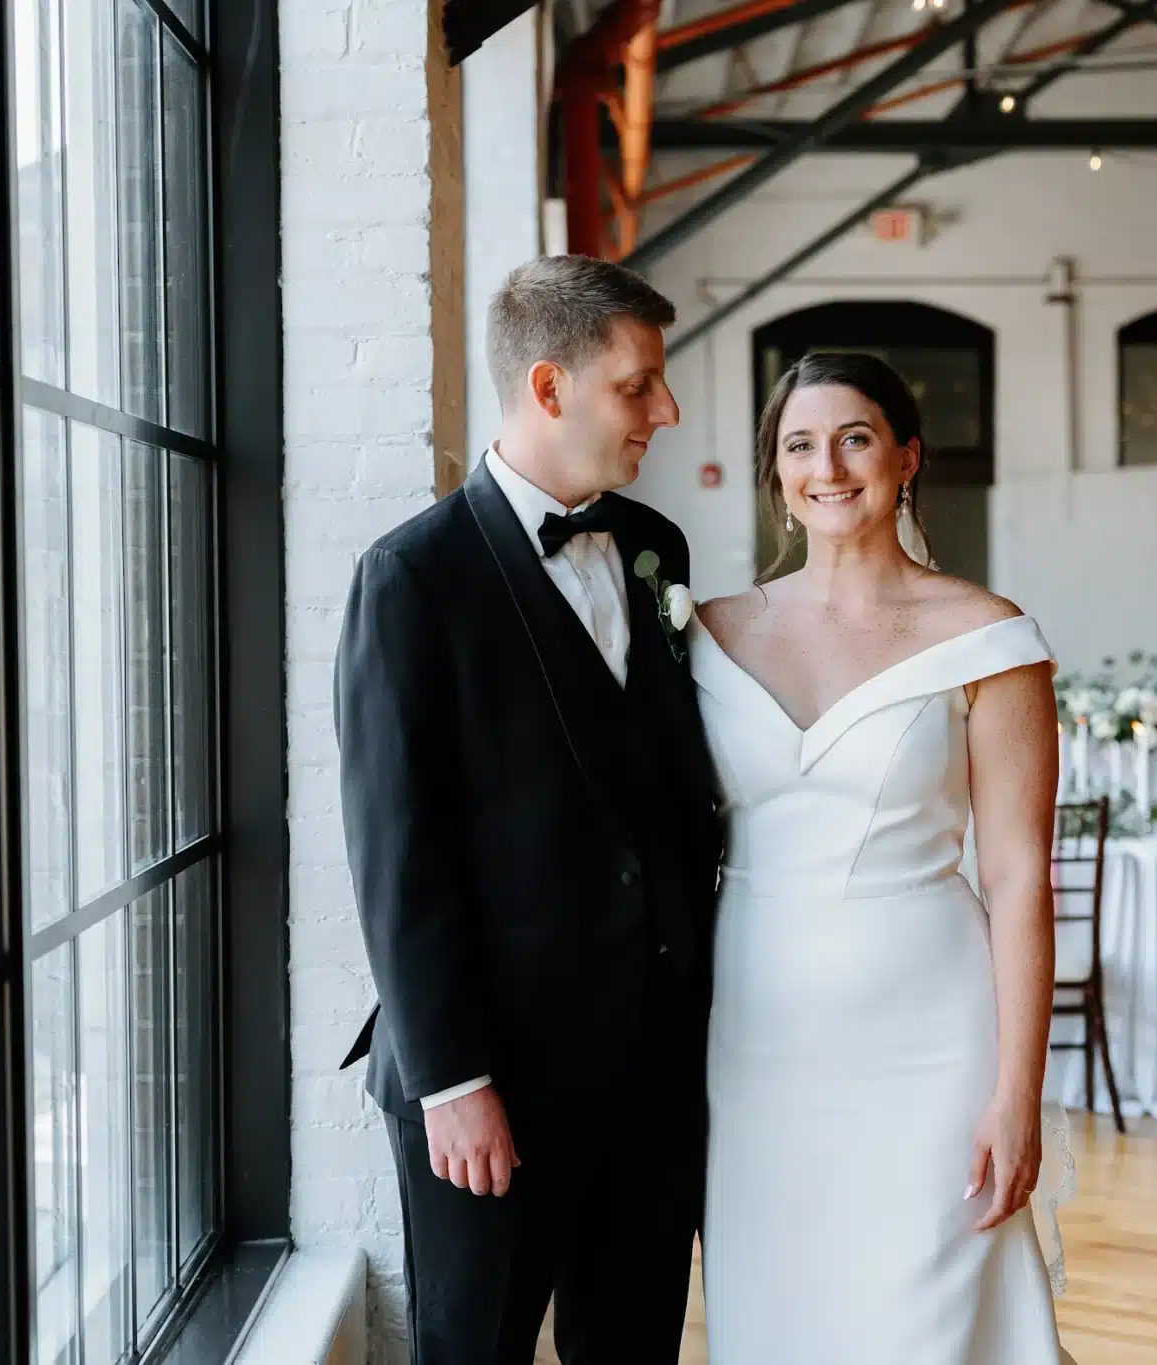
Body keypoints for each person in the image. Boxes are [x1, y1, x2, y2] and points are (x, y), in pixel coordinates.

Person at [334, 255, 722, 1364]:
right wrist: (453, 1081)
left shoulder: (655, 549)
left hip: (653, 1078)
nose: (665, 410)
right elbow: (397, 855)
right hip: (492, 1082)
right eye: (638, 385)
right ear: (549, 387)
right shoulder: (411, 577)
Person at [693, 351, 1073, 1362]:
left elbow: (1017, 879)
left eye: (854, 438)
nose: (827, 467)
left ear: (906, 457)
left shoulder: (988, 638)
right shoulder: (707, 635)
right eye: (799, 445)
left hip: (932, 1041)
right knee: (779, 1312)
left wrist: (1016, 1095)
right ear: (776, 471)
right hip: (754, 1037)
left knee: (928, 1321)